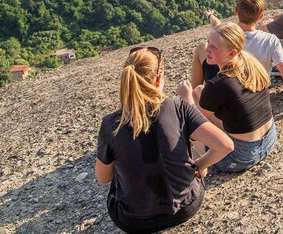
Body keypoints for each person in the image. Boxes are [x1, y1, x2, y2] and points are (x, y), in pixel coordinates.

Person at [96, 46, 233, 233]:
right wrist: (200, 165)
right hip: (186, 208)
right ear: (159, 79)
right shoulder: (179, 107)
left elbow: (104, 178)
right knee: (190, 147)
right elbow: (225, 145)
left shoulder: (111, 124)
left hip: (134, 221)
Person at [179, 23, 277, 173]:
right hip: (269, 138)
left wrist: (186, 96)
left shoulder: (218, 84)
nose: (207, 50)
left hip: (241, 157)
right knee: (199, 90)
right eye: (208, 43)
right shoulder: (251, 64)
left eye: (214, 47)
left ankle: (201, 164)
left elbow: (193, 123)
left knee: (189, 130)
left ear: (231, 53)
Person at [198, 0, 283, 111]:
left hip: (230, 88)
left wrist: (210, 15)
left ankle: (194, 99)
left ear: (236, 11)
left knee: (201, 48)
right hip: (258, 91)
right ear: (260, 17)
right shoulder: (271, 40)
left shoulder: (229, 36)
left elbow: (217, 24)